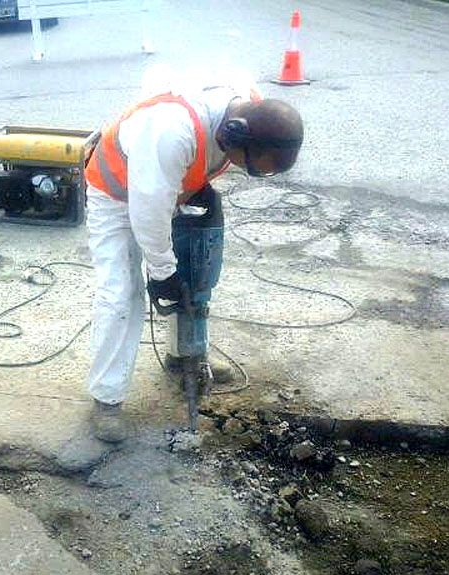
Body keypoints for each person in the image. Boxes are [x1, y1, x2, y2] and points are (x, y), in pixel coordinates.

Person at [84, 74, 304, 443]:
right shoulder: (172, 131)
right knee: (121, 294)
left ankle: (182, 358)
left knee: (192, 275)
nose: (248, 174)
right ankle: (107, 399)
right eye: (251, 167)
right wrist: (161, 272)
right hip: (117, 195)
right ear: (234, 136)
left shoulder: (248, 102)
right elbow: (148, 213)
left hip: (165, 183)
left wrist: (198, 185)